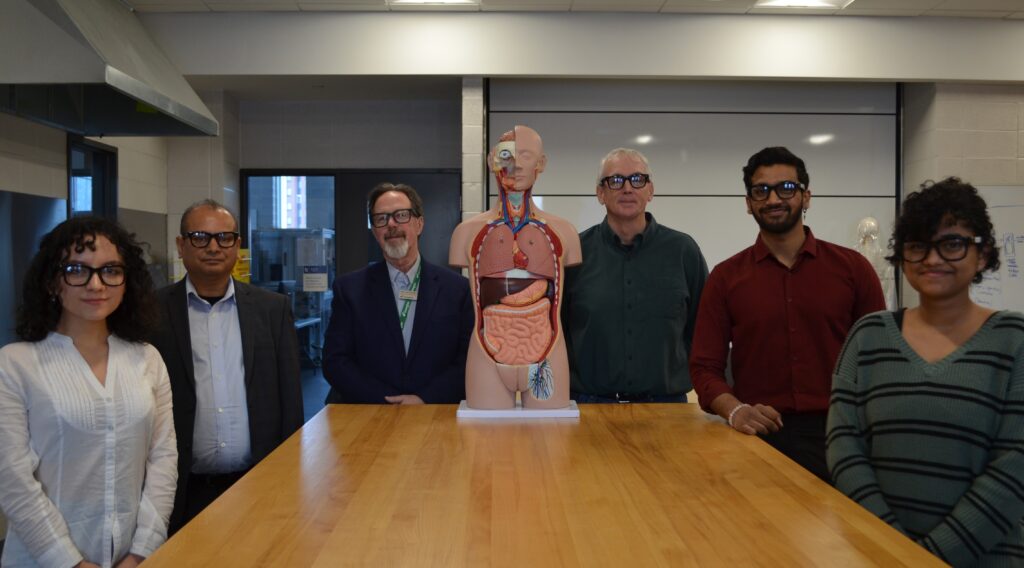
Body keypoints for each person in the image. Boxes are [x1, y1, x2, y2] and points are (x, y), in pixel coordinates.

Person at [828, 178, 1024, 566]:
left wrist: (926, 560)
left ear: (982, 255)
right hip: (878, 557)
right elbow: (844, 449)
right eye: (918, 245)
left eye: (952, 244)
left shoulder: (1014, 341)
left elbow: (1014, 468)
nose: (932, 260)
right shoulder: (868, 336)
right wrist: (892, 550)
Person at [690, 146, 885, 481]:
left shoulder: (853, 270)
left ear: (806, 197)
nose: (773, 199)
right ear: (748, 204)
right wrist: (735, 410)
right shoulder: (725, 278)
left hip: (840, 439)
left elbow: (881, 359)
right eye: (760, 190)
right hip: (756, 438)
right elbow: (704, 369)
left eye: (787, 188)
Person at [0, 216, 177, 567]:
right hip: (42, 559)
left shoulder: (147, 358)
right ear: (52, 282)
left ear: (127, 282)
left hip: (132, 556)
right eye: (77, 270)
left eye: (110, 270)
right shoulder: (15, 364)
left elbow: (164, 459)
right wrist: (70, 562)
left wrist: (143, 549)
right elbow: (13, 479)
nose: (96, 284)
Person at [149, 199, 303, 533]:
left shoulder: (271, 309)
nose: (213, 247)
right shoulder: (152, 312)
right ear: (181, 245)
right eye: (200, 237)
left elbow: (290, 401)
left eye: (225, 238)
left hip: (258, 484)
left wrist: (289, 480)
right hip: (183, 492)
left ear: (237, 245)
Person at [450, 126, 582, 410]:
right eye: (507, 155)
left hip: (546, 353)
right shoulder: (466, 232)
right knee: (486, 443)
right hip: (486, 353)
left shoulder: (564, 232)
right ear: (491, 161)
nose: (517, 164)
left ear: (541, 163)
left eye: (525, 155)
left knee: (549, 443)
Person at [562, 148, 708, 403]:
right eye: (615, 180)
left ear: (650, 190)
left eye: (637, 179)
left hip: (667, 409)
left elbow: (703, 329)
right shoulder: (573, 253)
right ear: (600, 193)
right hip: (589, 408)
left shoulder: (683, 251)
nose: (627, 188)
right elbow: (556, 332)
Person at [324, 183, 473, 404]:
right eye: (381, 218)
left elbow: (468, 360)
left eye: (401, 215)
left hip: (436, 413)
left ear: (419, 224)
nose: (391, 224)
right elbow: (335, 361)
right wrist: (384, 400)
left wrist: (424, 398)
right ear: (375, 231)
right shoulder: (349, 290)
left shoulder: (457, 289)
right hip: (369, 415)